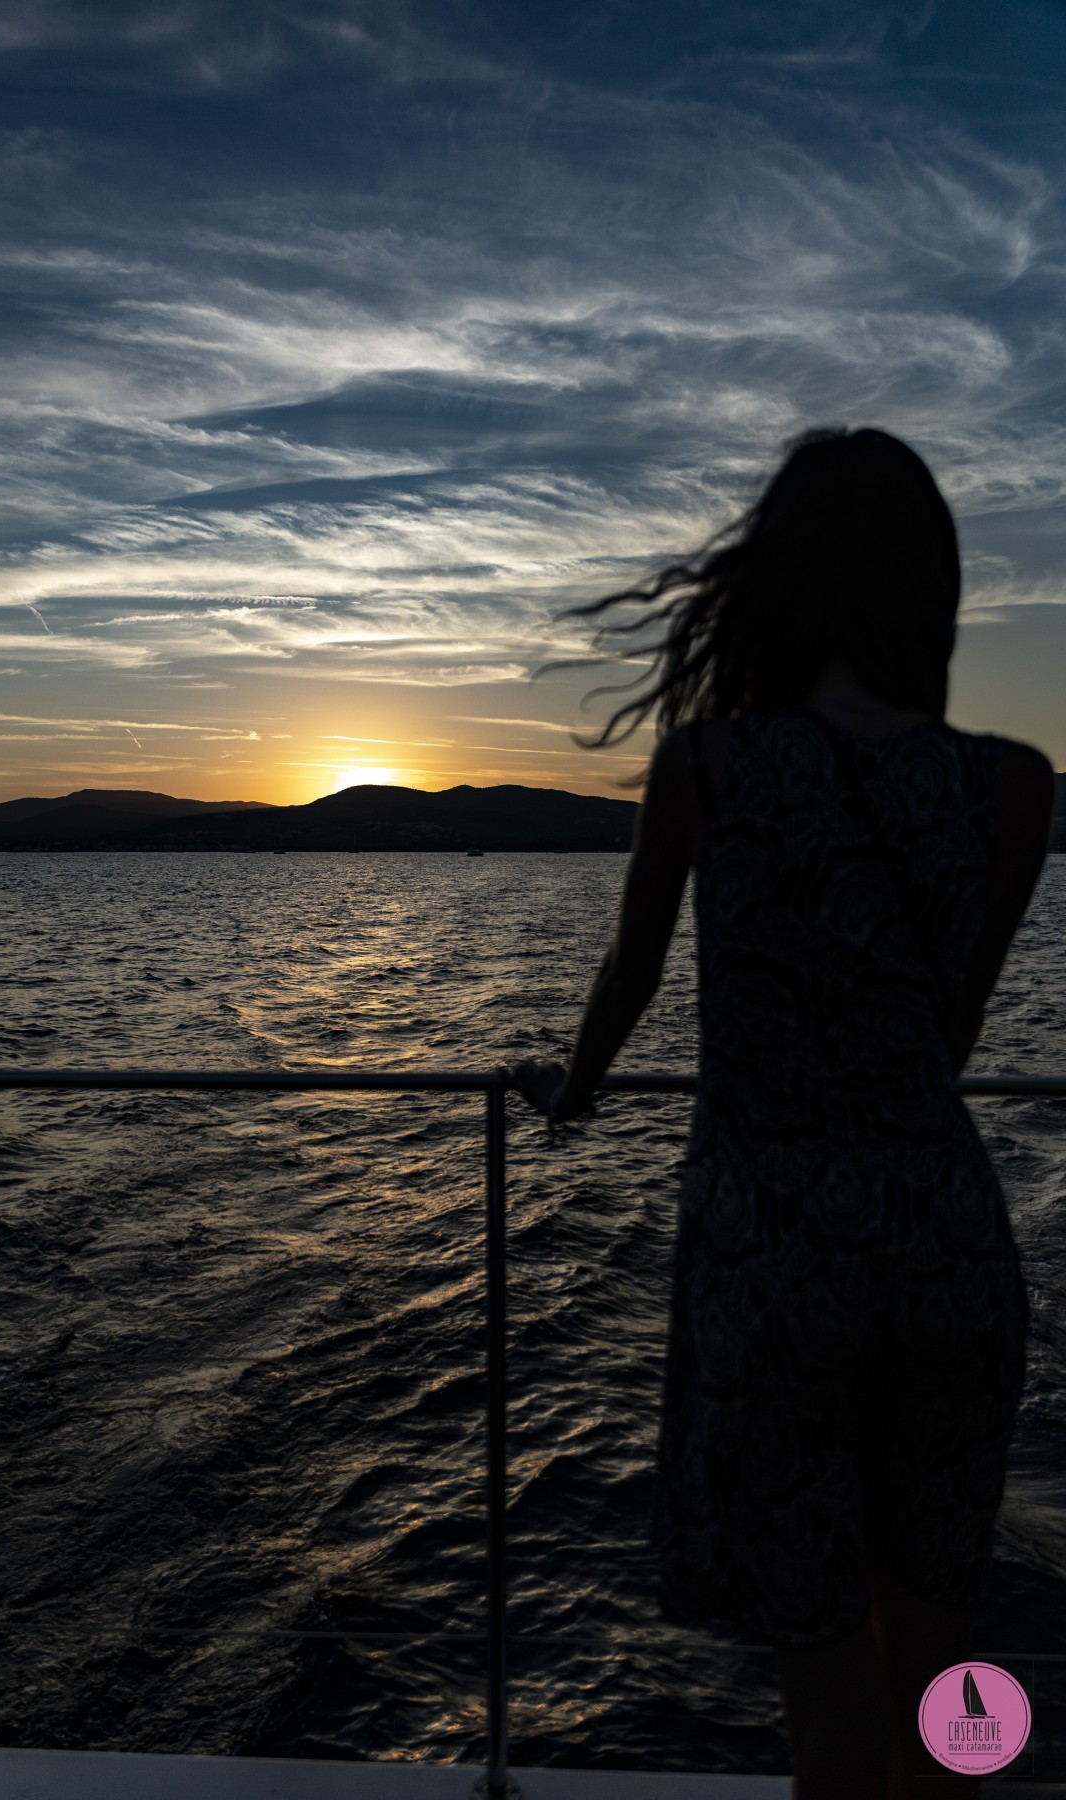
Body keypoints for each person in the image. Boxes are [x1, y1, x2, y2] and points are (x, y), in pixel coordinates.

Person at [512, 427, 1055, 1800]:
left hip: (780, 1262)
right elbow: (947, 1032)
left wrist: (569, 1092)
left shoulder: (708, 768)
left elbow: (628, 981)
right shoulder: (1011, 786)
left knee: (831, 1711)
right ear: (928, 594)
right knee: (945, 1685)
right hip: (948, 1244)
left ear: (780, 584)